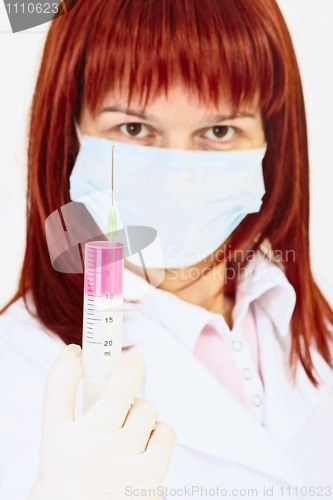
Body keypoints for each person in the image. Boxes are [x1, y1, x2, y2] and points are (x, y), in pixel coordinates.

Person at [1, 0, 333, 498]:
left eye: (219, 131)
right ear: (68, 135)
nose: (178, 175)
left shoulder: (307, 320)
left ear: (272, 140)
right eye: (134, 129)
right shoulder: (18, 364)